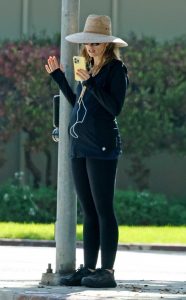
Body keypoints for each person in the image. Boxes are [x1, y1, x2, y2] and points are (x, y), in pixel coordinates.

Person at [45, 14, 128, 288]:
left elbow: (114, 108)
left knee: (104, 209)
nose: (90, 47)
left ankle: (107, 272)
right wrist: (59, 77)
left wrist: (91, 82)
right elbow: (78, 104)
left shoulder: (116, 69)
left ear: (107, 44)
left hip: (102, 146)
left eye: (96, 43)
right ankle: (90, 268)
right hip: (80, 146)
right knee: (88, 210)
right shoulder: (88, 65)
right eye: (88, 43)